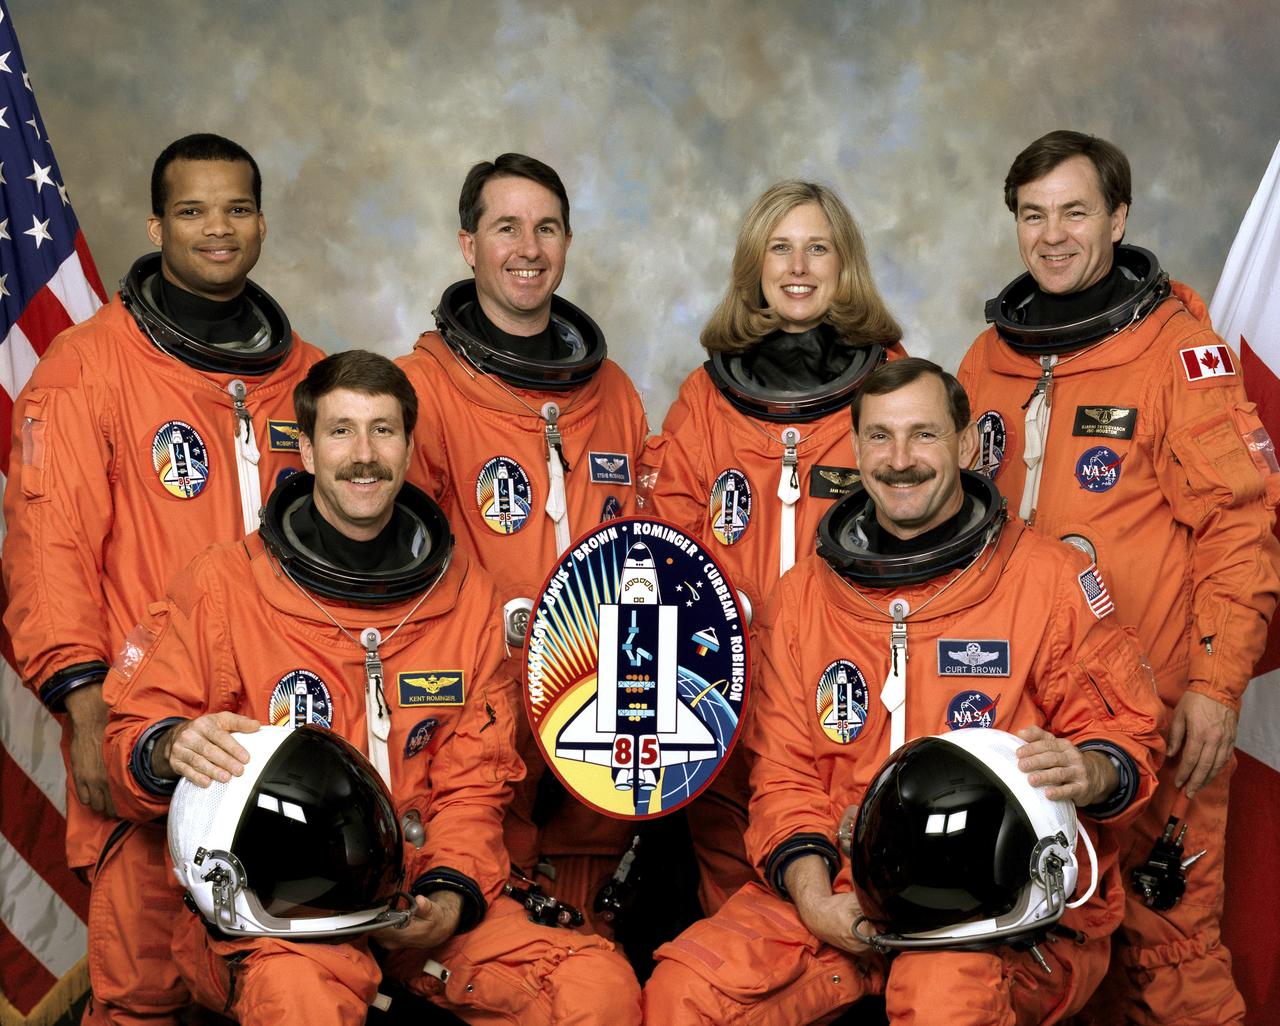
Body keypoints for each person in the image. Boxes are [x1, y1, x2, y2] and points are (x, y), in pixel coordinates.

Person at [101, 351, 642, 1026]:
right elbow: (128, 745)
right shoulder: (224, 587)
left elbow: (475, 785)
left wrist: (450, 895)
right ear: (304, 446)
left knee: (597, 988)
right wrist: (168, 746)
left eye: (383, 430)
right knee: (296, 1003)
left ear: (410, 446)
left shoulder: (467, 599)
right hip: (283, 910)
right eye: (341, 431)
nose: (364, 454)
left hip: (421, 891)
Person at [643, 358, 1166, 1025]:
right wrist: (812, 898)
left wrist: (1088, 769)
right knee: (684, 993)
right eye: (881, 438)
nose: (900, 460)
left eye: (923, 435)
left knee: (944, 997)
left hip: (1000, 900)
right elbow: (784, 778)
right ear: (856, 449)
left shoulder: (1048, 580)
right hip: (842, 886)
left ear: (967, 445)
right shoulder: (804, 596)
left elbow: (1126, 735)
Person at [957, 130, 1280, 1025]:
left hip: (1159, 709)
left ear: (1118, 217)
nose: (1052, 235)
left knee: (1168, 954)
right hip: (1028, 718)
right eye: (1033, 214)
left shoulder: (1175, 351)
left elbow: (1240, 522)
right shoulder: (989, 358)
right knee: (1031, 948)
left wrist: (1215, 687)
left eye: (1074, 211)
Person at [2, 133, 323, 1025]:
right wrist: (85, 703)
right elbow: (49, 553)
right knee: (144, 996)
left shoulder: (308, 381)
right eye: (192, 211)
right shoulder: (87, 369)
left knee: (287, 986)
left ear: (260, 221)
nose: (216, 229)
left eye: (236, 209)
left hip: (279, 740)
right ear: (156, 224)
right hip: (149, 732)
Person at [397, 154, 650, 933]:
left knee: (590, 949)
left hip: (603, 706)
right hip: (483, 716)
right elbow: (406, 576)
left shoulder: (613, 391)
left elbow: (648, 546)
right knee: (487, 934)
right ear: (469, 245)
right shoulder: (422, 390)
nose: (528, 248)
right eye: (506, 227)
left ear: (568, 243)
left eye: (546, 228)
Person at [637, 179, 905, 912]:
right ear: (754, 267)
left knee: (858, 912)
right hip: (727, 703)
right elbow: (667, 556)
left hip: (850, 700)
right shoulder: (705, 399)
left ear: (843, 264)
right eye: (779, 249)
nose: (798, 267)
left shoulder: (892, 389)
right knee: (741, 923)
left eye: (817, 248)